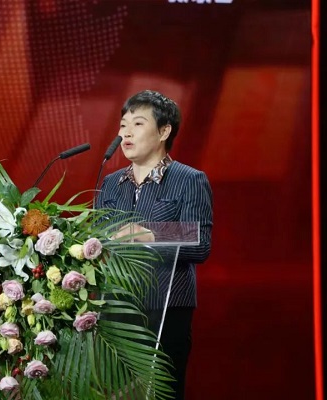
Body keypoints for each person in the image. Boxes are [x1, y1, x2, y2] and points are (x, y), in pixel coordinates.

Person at [94, 89, 213, 399]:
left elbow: (201, 243)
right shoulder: (110, 184)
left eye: (138, 124)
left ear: (163, 131)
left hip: (165, 308)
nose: (126, 133)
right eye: (123, 125)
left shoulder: (189, 179)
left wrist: (152, 235)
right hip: (115, 308)